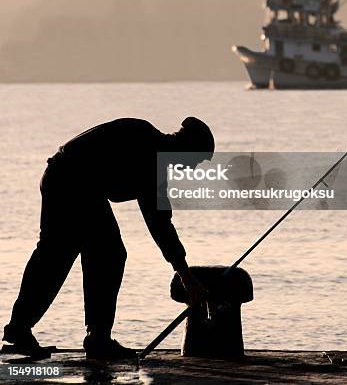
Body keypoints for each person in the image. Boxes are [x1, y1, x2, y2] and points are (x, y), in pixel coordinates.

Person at [3, 116, 215, 359]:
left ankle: (21, 329)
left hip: (59, 178)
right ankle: (97, 338)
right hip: (73, 183)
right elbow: (159, 224)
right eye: (196, 161)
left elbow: (159, 221)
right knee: (108, 254)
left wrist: (183, 272)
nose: (193, 169)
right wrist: (187, 277)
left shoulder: (151, 148)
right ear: (186, 150)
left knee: (56, 256)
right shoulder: (150, 155)